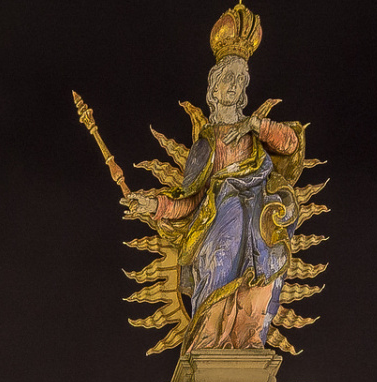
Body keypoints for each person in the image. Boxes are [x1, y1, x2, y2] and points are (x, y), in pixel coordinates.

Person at [123, 53, 302, 351]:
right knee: (223, 246)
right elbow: (190, 200)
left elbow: (290, 144)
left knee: (266, 261)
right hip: (218, 224)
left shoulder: (255, 137)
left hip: (257, 223)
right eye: (227, 79)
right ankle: (209, 339)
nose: (234, 85)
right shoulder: (205, 146)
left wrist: (255, 124)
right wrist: (154, 206)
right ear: (214, 90)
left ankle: (248, 337)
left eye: (240, 80)